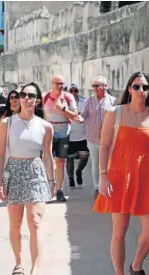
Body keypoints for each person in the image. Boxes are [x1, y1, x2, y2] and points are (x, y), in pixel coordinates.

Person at [93, 71, 149, 275]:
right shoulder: (115, 113)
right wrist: (103, 175)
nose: (140, 91)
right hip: (119, 176)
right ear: (129, 89)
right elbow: (105, 145)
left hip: (148, 176)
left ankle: (136, 265)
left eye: (144, 87)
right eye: (136, 86)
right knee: (120, 230)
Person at [0, 82, 55, 275]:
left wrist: (52, 180)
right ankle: (18, 262)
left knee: (35, 221)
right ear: (19, 98)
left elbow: (47, 156)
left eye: (31, 95)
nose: (27, 99)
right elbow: (1, 154)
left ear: (37, 100)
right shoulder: (7, 124)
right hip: (14, 171)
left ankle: (35, 269)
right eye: (24, 95)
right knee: (15, 223)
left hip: (35, 172)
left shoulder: (46, 127)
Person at [43, 74, 83, 202]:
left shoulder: (68, 97)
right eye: (57, 83)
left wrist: (63, 108)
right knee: (47, 161)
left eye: (61, 83)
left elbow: (75, 116)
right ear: (51, 83)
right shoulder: (45, 96)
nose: (59, 86)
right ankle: (49, 188)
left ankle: (59, 190)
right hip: (47, 133)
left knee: (60, 162)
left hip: (63, 132)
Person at [80, 76, 118, 198]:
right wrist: (77, 118)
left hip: (109, 139)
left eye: (98, 86)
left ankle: (108, 185)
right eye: (94, 86)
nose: (95, 88)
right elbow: (83, 115)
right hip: (93, 138)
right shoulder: (89, 101)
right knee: (96, 164)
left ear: (105, 86)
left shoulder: (113, 101)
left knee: (110, 164)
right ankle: (97, 187)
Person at [66, 83, 89, 188]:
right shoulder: (64, 104)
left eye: (75, 90)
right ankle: (71, 179)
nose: (73, 93)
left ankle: (79, 171)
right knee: (70, 158)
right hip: (69, 136)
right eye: (71, 91)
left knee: (85, 156)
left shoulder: (84, 102)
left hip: (82, 135)